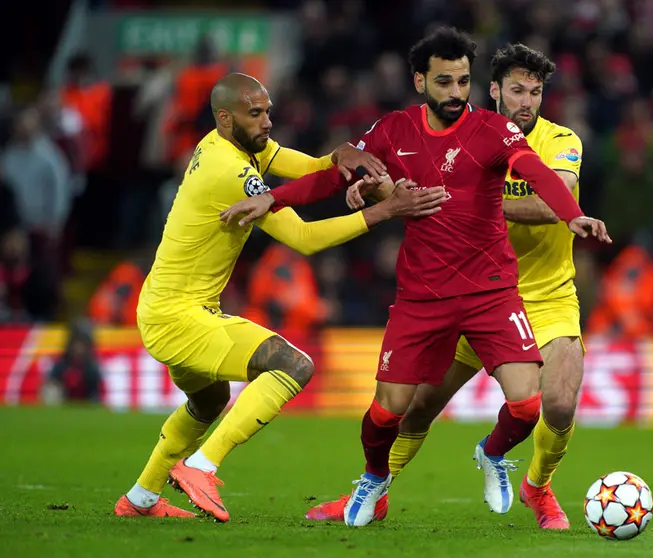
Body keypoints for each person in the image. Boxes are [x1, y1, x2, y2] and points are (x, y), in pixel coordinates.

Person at [221, 29, 610, 528]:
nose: (527, 101)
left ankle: (538, 487)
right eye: (517, 90)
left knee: (553, 403)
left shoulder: (554, 139)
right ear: (493, 90)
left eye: (535, 92)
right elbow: (342, 169)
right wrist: (279, 196)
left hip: (533, 294)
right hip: (446, 291)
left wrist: (484, 204)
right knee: (409, 411)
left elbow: (544, 192)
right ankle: (374, 491)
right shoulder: (418, 128)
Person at [114, 73, 446, 521]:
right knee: (293, 365)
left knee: (209, 402)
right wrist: (387, 209)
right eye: (257, 114)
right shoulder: (229, 171)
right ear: (226, 117)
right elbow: (305, 238)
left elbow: (306, 169)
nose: (268, 121)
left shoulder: (227, 144)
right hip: (178, 316)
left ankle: (139, 500)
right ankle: (200, 467)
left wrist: (339, 155)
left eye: (268, 110)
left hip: (169, 308)